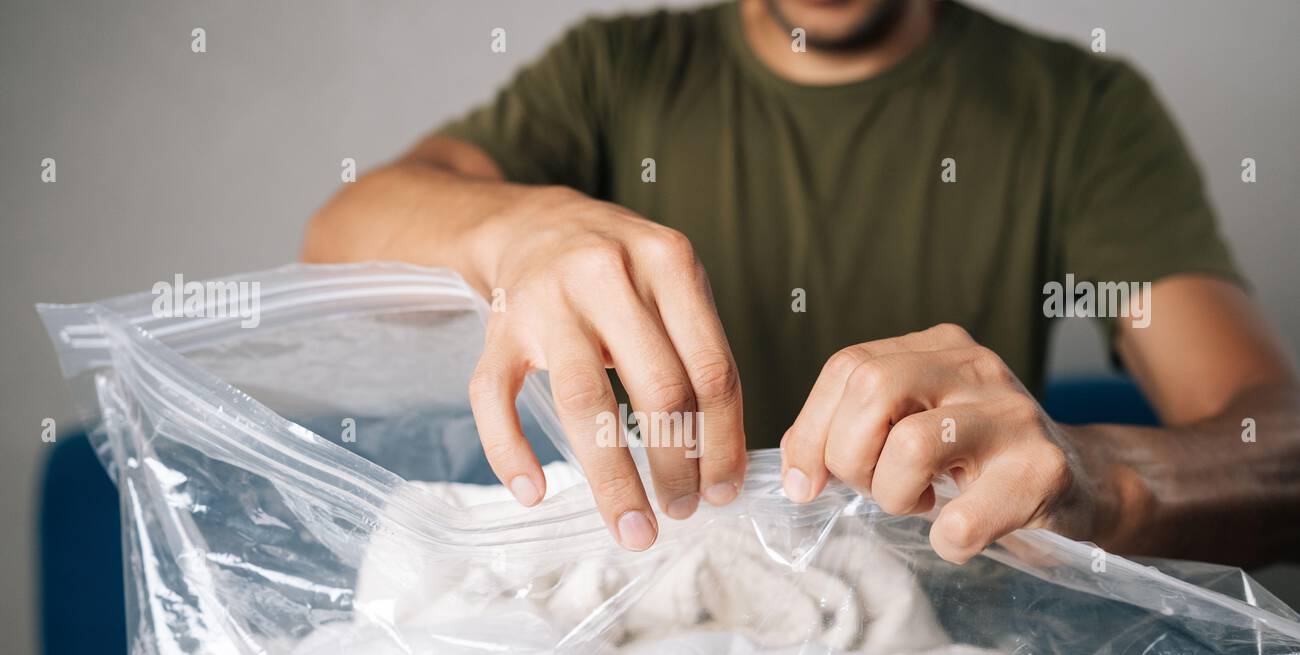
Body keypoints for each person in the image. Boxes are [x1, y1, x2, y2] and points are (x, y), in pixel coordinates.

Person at [302, 0, 1300, 565]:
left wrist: (1098, 476)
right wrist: (517, 231)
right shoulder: (615, 71)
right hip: (653, 634)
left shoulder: (1078, 107)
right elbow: (340, 234)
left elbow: (1277, 441)